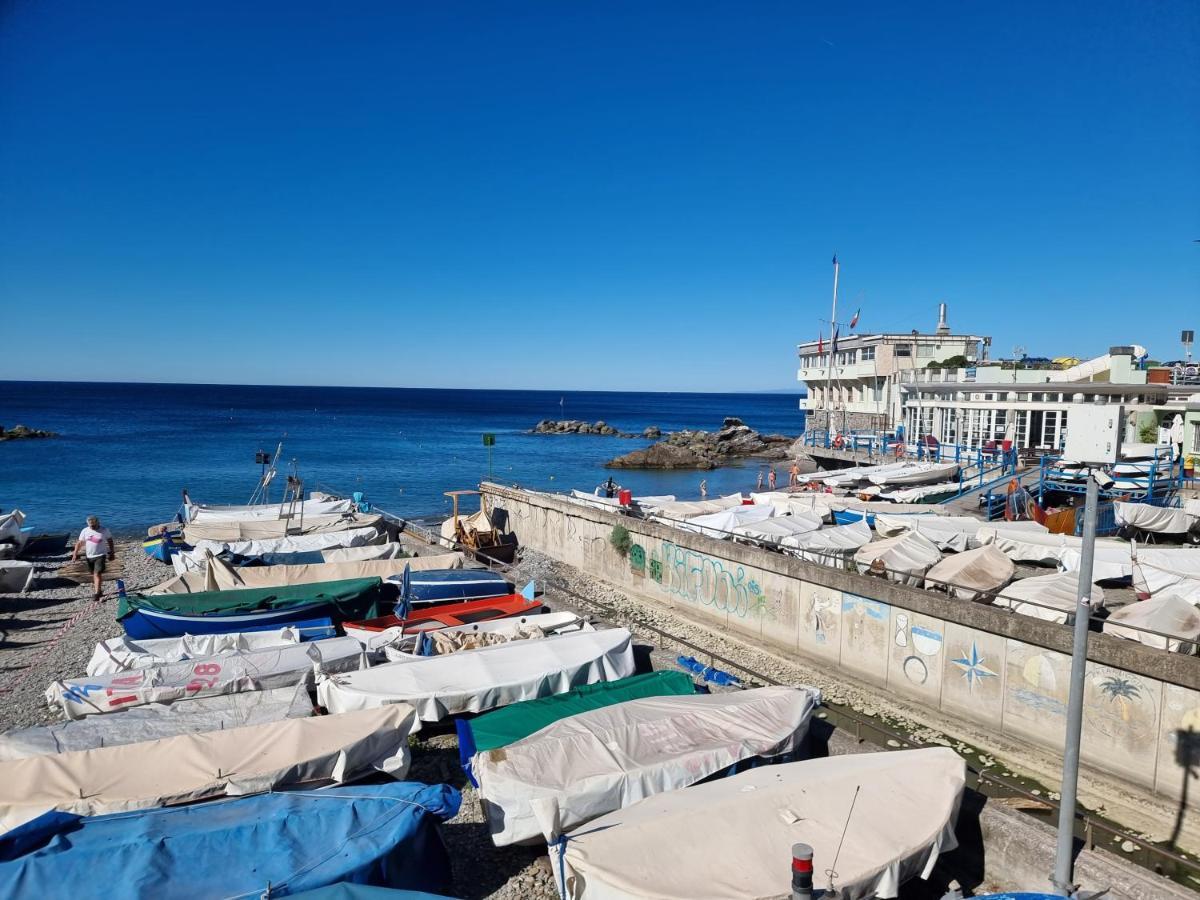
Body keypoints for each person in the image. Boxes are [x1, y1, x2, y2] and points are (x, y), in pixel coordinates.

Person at [72, 515, 115, 602]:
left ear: (97, 523)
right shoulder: (85, 531)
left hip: (101, 555)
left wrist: (112, 552)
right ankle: (99, 590)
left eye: (93, 525)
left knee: (97, 573)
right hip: (89, 556)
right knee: (93, 574)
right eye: (90, 525)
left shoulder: (104, 530)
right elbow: (80, 543)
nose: (92, 527)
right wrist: (75, 554)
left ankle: (97, 593)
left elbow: (110, 540)